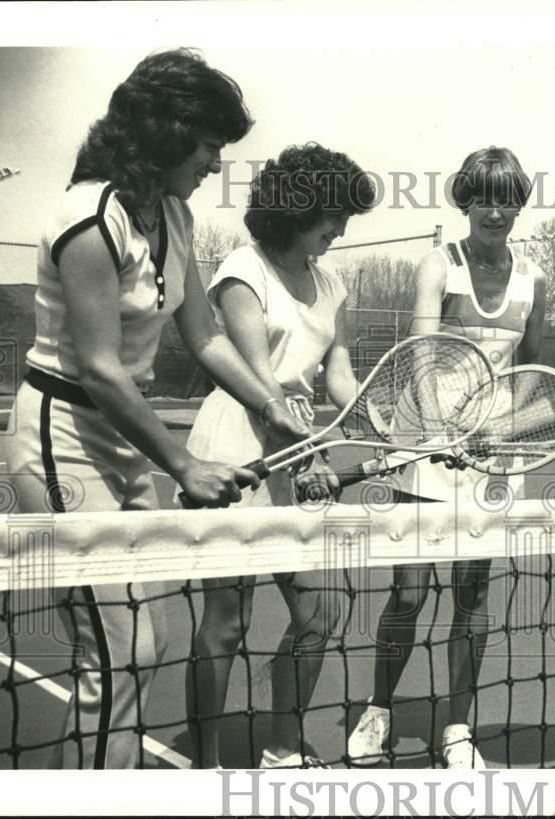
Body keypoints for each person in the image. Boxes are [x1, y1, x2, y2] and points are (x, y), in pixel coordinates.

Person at [2, 50, 313, 768]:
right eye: (209, 145)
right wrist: (185, 463)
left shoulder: (174, 214)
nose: (214, 161)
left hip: (119, 441)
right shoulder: (88, 218)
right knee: (118, 650)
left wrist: (271, 407)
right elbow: (102, 369)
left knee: (149, 639)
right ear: (168, 132)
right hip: (61, 437)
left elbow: (203, 337)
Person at [346, 147, 547, 769]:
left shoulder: (533, 276)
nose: (497, 211)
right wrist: (438, 431)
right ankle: (379, 710)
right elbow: (422, 351)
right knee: (409, 591)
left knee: (472, 592)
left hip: (489, 452)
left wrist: (500, 427)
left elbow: (534, 372)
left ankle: (458, 728)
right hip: (425, 440)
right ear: (466, 201)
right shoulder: (439, 264)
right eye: (485, 198)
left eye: (508, 198)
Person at [184, 143, 375, 769]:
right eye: (334, 216)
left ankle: (283, 748)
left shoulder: (331, 282)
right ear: (301, 207)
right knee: (226, 624)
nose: (340, 231)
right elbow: (261, 383)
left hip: (298, 454)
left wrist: (379, 417)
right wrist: (308, 456)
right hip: (235, 451)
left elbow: (339, 375)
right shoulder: (243, 268)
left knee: (320, 614)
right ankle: (205, 764)